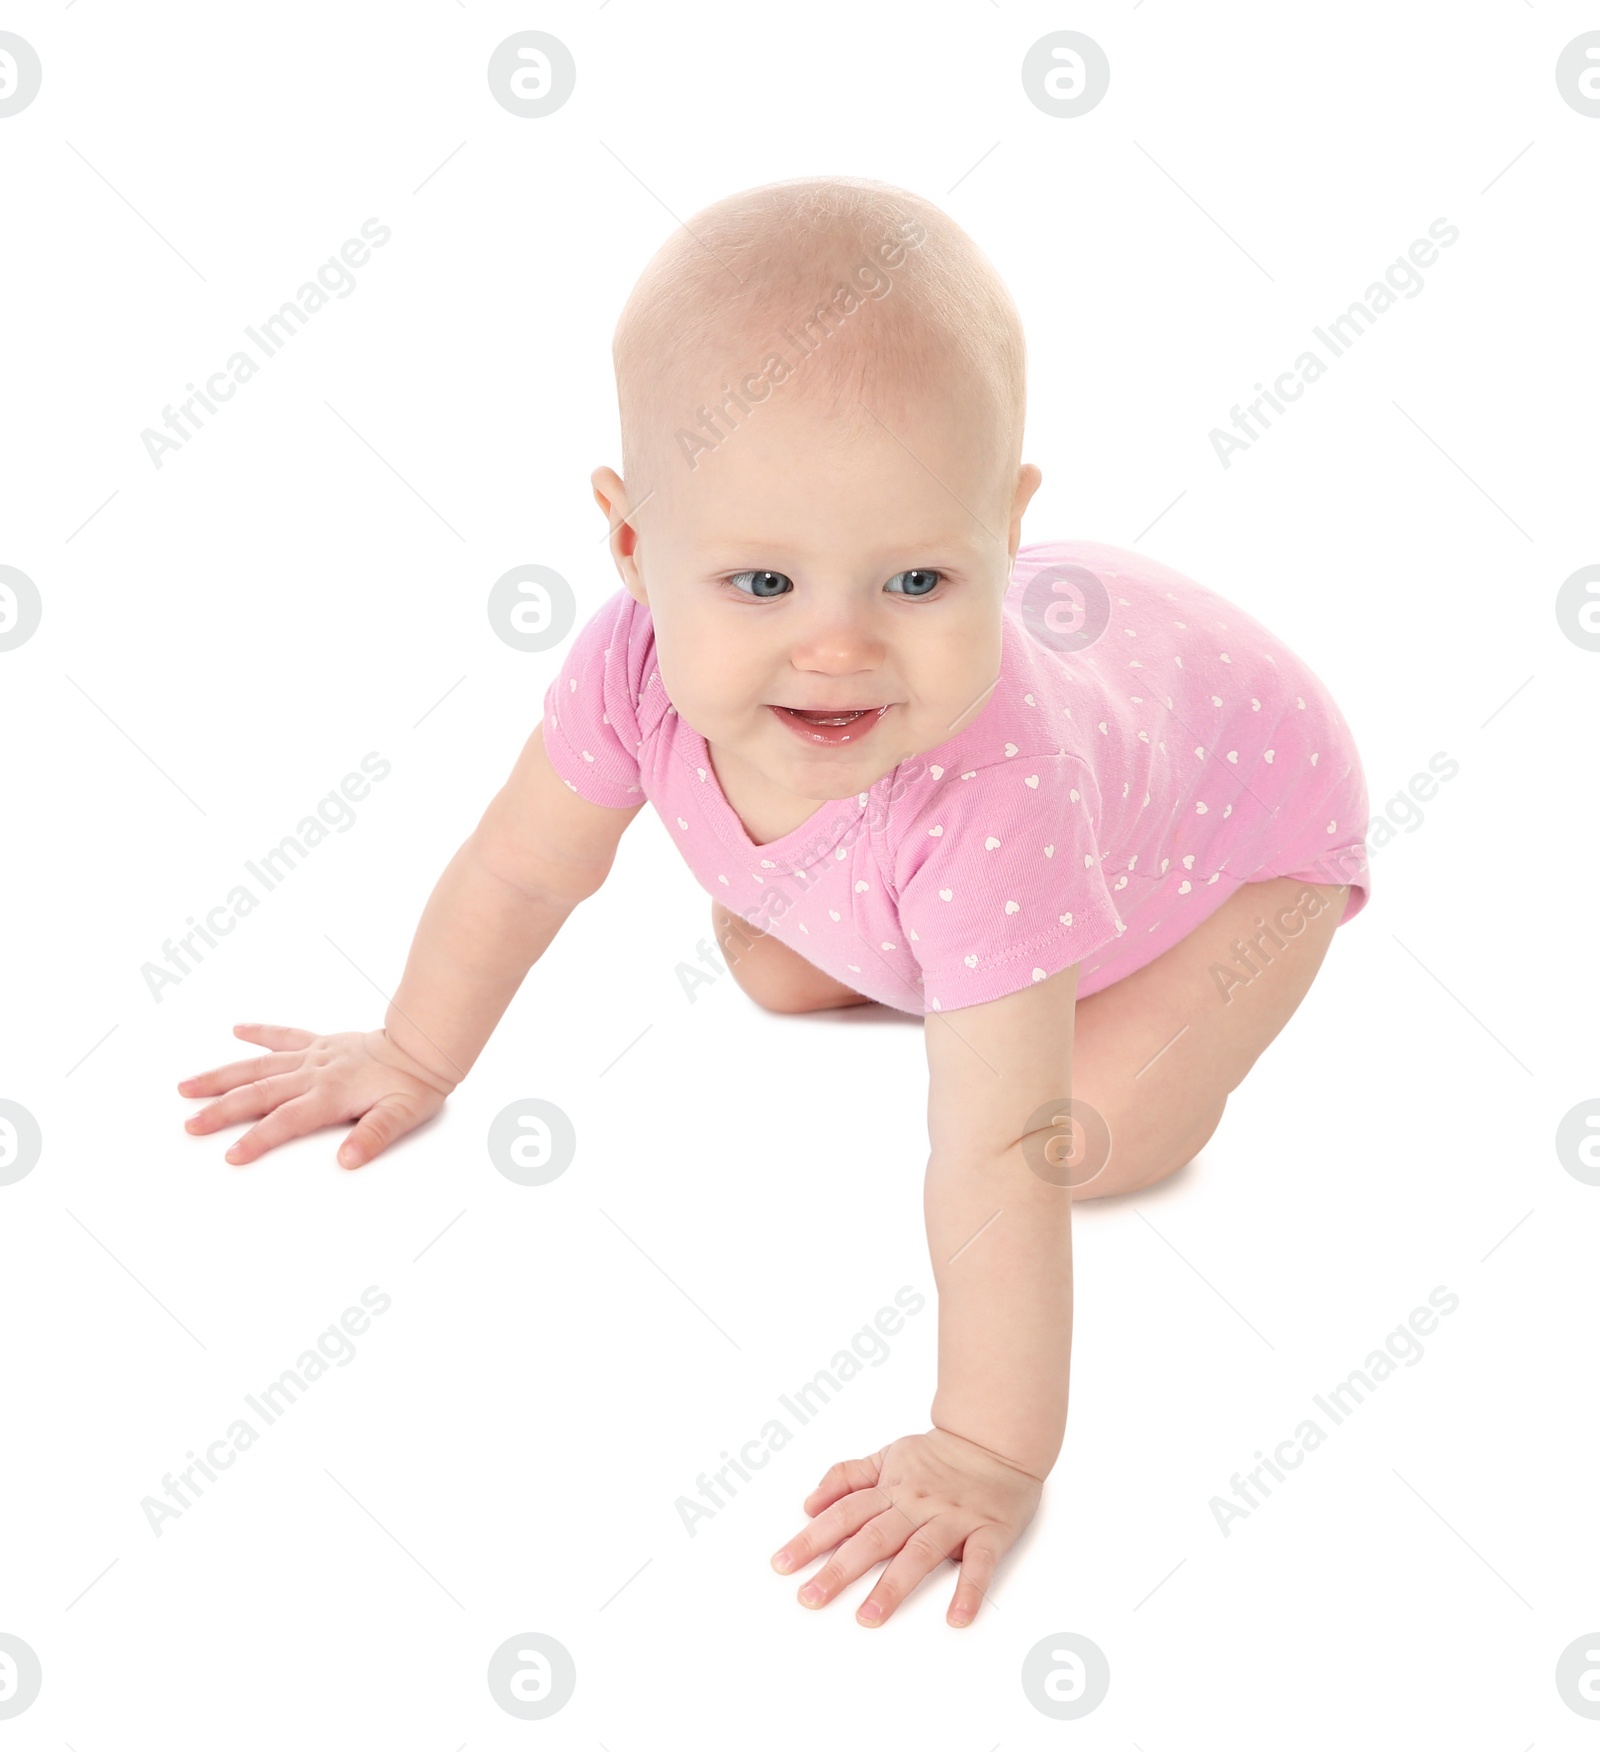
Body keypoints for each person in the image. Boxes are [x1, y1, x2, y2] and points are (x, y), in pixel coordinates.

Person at [178, 175, 1370, 1631]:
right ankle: (930, 947)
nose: (839, 648)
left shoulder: (1004, 791)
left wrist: (986, 1451)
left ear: (1005, 526)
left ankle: (1039, 977)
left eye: (921, 576)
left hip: (1242, 844)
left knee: (1084, 1138)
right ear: (630, 548)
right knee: (782, 974)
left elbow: (992, 1152)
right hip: (1054, 785)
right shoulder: (629, 666)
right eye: (759, 580)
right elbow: (521, 864)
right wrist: (412, 1053)